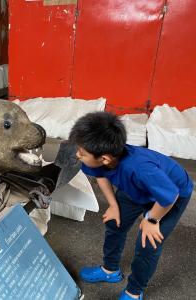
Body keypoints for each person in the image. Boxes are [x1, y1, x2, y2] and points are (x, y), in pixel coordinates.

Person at [68, 111, 193, 300]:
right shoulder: (98, 158)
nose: (78, 155)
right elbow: (101, 176)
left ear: (105, 158)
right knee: (114, 222)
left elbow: (169, 196)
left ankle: (134, 291)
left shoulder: (139, 168)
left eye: (82, 153)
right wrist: (113, 205)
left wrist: (151, 219)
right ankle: (110, 270)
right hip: (136, 189)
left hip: (171, 194)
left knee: (147, 243)